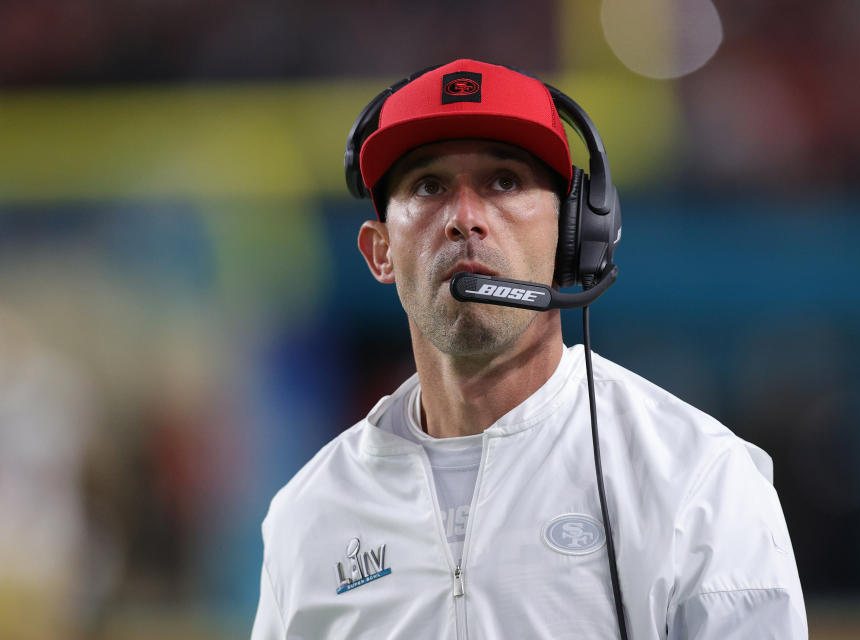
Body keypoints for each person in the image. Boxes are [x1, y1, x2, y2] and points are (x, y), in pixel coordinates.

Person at [251, 59, 807, 639]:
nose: (465, 219)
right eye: (429, 186)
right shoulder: (307, 517)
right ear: (380, 251)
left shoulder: (698, 480)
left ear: (575, 236)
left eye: (504, 181)